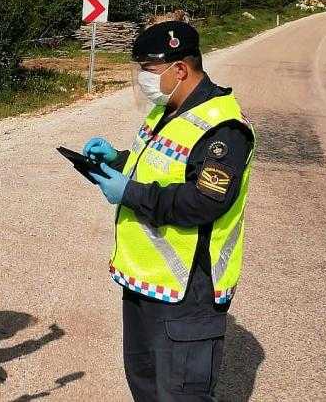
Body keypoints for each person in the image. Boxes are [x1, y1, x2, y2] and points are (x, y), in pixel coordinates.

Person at [82, 21, 255, 401]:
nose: (143, 79)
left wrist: (129, 193)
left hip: (189, 291)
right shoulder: (169, 110)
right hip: (146, 284)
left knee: (180, 393)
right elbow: (158, 168)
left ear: (180, 69)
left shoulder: (222, 129)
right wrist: (118, 160)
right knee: (145, 385)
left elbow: (205, 201)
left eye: (149, 70)